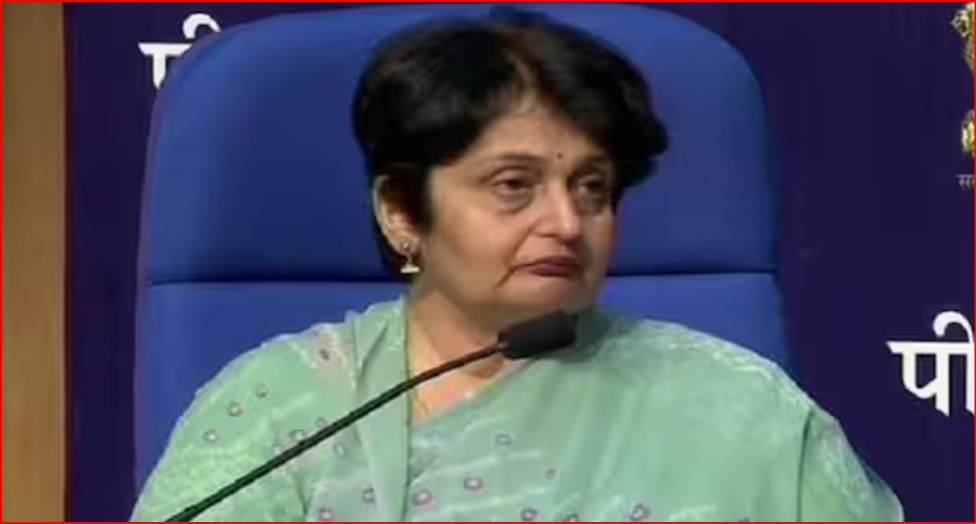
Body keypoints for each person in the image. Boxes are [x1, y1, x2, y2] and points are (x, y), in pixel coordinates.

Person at [132, 8, 903, 522]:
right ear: (401, 211)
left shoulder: (742, 410)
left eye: (592, 188)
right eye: (513, 185)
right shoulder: (282, 411)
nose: (566, 222)